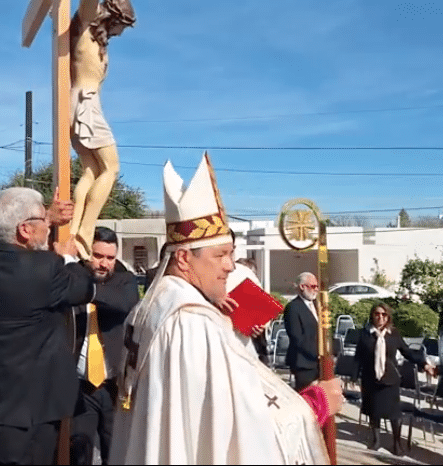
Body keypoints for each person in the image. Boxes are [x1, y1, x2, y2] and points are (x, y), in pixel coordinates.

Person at [111, 154, 340, 464]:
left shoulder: (152, 305)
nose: (230, 266)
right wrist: (317, 403)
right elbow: (237, 433)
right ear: (183, 258)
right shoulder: (190, 322)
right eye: (221, 255)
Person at [0, 187, 95, 465]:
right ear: (25, 229)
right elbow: (85, 289)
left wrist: (44, 215)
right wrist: (68, 257)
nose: (48, 226)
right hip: (32, 409)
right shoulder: (44, 268)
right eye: (43, 222)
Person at [68, 0, 135, 258]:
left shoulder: (97, 40)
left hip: (83, 103)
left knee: (92, 169)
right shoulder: (85, 24)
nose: (122, 32)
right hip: (85, 104)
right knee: (111, 167)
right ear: (113, 17)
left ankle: (75, 228)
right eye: (122, 25)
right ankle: (86, 229)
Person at [70, 226, 139, 465]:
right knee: (79, 451)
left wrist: (87, 290)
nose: (104, 264)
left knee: (116, 451)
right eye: (98, 256)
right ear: (87, 253)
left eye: (110, 258)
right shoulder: (73, 276)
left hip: (113, 386)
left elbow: (125, 303)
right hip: (80, 385)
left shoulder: (125, 280)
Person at [355, 303, 435, 455]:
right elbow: (358, 357)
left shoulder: (394, 334)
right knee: (374, 411)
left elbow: (407, 352)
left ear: (388, 317)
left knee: (394, 414)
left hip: (390, 378)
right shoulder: (365, 334)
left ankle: (397, 443)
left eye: (384, 314)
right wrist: (353, 375)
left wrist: (424, 364)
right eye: (377, 314)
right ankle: (376, 440)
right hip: (370, 378)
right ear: (372, 316)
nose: (380, 317)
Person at [284, 272, 321, 390]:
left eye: (317, 287)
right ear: (302, 287)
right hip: (304, 363)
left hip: (320, 363)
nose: (316, 290)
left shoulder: (317, 305)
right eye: (313, 286)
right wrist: (318, 352)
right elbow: (297, 338)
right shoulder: (293, 307)